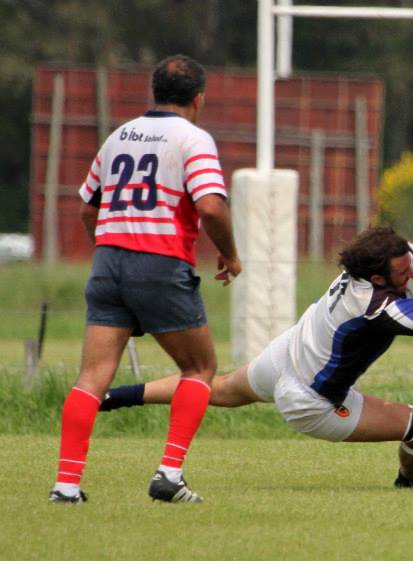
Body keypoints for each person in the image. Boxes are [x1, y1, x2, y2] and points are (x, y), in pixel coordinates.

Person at [98, 226, 413, 489]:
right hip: (310, 400)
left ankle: (115, 396)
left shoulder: (385, 259)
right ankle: (412, 481)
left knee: (217, 388)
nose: (412, 274)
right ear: (377, 277)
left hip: (283, 357)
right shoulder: (375, 303)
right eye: (403, 273)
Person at [49, 54, 242, 504]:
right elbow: (211, 206)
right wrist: (230, 255)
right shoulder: (192, 138)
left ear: (154, 93)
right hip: (159, 263)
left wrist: (110, 251)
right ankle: (169, 475)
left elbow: (88, 208)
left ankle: (66, 485)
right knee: (200, 368)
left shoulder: (118, 136)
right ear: (199, 98)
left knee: (91, 377)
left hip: (108, 262)